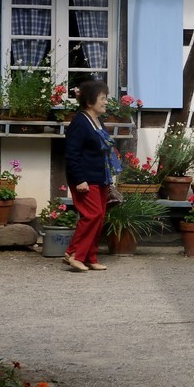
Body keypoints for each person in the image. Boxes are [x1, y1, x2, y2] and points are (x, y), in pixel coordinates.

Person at [63, 78, 120, 272]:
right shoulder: (80, 122)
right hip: (85, 179)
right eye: (102, 98)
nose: (106, 102)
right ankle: (76, 255)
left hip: (100, 177)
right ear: (89, 102)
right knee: (92, 215)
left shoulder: (97, 121)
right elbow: (72, 154)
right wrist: (79, 179)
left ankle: (88, 256)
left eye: (106, 98)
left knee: (99, 216)